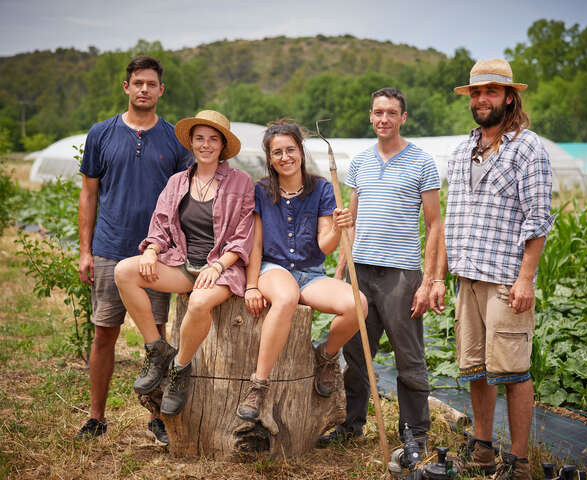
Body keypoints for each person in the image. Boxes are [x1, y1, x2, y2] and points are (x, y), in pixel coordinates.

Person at [429, 59, 554, 480]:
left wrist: (526, 279)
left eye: (492, 92)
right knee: (476, 369)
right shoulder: (463, 149)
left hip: (505, 279)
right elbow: (451, 217)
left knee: (514, 371)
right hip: (468, 276)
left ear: (509, 97)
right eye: (477, 93)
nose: (483, 99)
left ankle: (519, 463)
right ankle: (483, 448)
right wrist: (440, 277)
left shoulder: (527, 147)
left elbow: (538, 220)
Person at [76, 56, 190, 444]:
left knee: (156, 338)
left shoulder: (175, 139)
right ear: (126, 87)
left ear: (161, 90)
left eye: (151, 84)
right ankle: (96, 417)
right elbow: (89, 194)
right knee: (104, 335)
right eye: (137, 83)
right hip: (110, 248)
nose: (144, 89)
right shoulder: (101, 134)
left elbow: (184, 200)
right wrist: (86, 251)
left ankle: (157, 418)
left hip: (155, 257)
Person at [320, 88, 442, 448]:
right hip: (361, 271)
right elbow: (351, 223)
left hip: (401, 275)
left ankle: (415, 432)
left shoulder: (422, 162)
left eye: (391, 113)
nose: (384, 119)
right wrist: (341, 274)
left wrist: (428, 282)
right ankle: (351, 424)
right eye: (378, 112)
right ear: (370, 116)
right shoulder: (359, 162)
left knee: (408, 356)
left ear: (403, 117)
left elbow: (435, 224)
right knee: (356, 354)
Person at [114, 110, 254, 417]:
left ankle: (179, 369)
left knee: (199, 303)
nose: (205, 145)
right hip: (183, 263)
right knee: (125, 271)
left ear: (223, 146)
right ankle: (156, 349)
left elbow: (244, 235)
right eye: (200, 138)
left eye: (213, 139)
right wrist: (151, 251)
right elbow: (161, 226)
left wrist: (217, 267)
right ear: (191, 142)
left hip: (223, 268)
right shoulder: (178, 181)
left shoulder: (240, 182)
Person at [238, 121, 365, 421]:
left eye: (290, 150)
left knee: (358, 304)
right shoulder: (260, 191)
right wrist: (252, 285)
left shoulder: (321, 188)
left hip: (311, 272)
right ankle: (259, 384)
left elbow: (325, 245)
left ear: (301, 152)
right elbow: (255, 244)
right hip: (273, 268)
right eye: (277, 152)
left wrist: (338, 227)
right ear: (269, 158)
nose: (285, 157)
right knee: (285, 298)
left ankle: (327, 356)